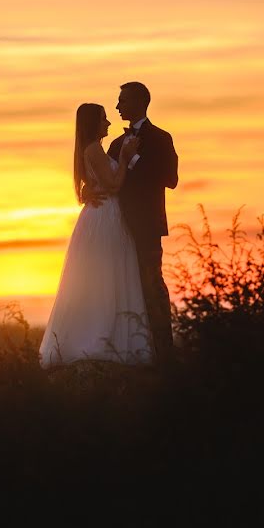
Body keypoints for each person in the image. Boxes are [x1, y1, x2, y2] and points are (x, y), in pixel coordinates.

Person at [38, 103, 152, 368]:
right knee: (108, 276)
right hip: (105, 217)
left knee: (107, 277)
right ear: (93, 123)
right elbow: (112, 185)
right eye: (103, 119)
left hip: (102, 214)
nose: (109, 123)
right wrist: (124, 158)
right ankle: (99, 339)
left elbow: (96, 183)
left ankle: (106, 335)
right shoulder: (95, 149)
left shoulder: (93, 150)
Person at [100, 82, 178, 364]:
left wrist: (133, 159)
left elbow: (171, 179)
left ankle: (164, 354)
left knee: (152, 286)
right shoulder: (115, 143)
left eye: (122, 101)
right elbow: (106, 180)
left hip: (146, 229)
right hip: (116, 229)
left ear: (139, 102)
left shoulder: (160, 138)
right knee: (121, 290)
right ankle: (128, 353)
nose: (118, 106)